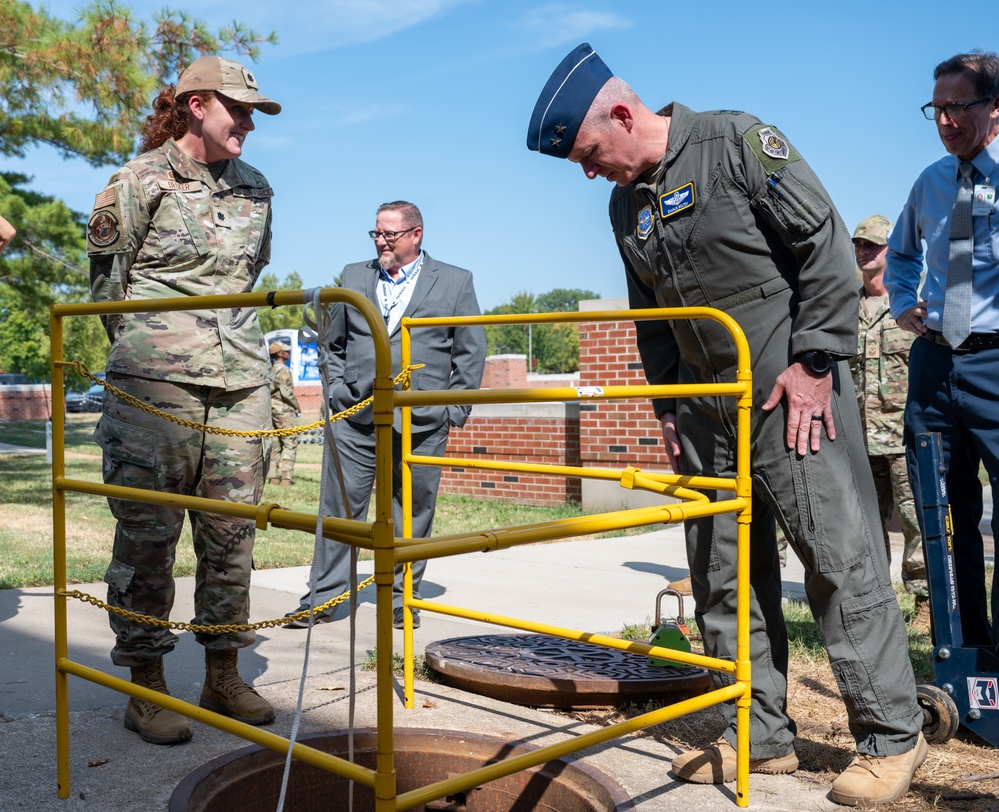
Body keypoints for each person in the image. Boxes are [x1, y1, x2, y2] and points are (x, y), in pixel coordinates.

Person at [526, 44, 925, 807]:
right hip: (705, 411)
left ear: (620, 113)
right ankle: (759, 734)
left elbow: (824, 248)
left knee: (838, 562)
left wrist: (813, 365)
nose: (588, 171)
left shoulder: (735, 144)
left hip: (790, 394)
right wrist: (668, 409)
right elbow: (653, 319)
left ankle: (889, 737)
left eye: (588, 154)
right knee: (722, 576)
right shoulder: (625, 205)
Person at [87, 55, 281, 745]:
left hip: (239, 384)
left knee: (232, 535)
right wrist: (153, 353)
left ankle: (222, 673)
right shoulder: (137, 181)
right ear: (198, 105)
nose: (249, 124)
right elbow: (107, 290)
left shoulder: (257, 188)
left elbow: (249, 275)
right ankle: (145, 684)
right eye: (240, 110)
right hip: (154, 386)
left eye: (254, 112)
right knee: (149, 536)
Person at [284, 201, 486, 630]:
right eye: (375, 234)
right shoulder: (354, 275)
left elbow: (469, 353)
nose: (380, 242)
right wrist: (337, 391)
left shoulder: (455, 282)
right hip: (355, 415)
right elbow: (332, 342)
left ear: (416, 235)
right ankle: (323, 598)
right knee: (338, 509)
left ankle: (401, 598)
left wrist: (453, 409)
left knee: (410, 512)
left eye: (389, 235)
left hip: (421, 422)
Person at [885, 50, 999, 649]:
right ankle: (962, 651)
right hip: (934, 364)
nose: (945, 120)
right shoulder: (929, 182)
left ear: (996, 106)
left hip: (997, 364)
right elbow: (901, 255)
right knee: (942, 511)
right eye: (937, 108)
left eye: (959, 106)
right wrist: (904, 304)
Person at [848, 215, 928, 606]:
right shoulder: (847, 309)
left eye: (872, 245)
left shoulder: (913, 306)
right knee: (865, 525)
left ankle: (926, 602)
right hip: (860, 440)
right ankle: (877, 605)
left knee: (918, 522)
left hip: (904, 437)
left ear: (889, 251)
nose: (863, 251)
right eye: (859, 245)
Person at [267, 340, 301, 486]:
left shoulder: (270, 369)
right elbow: (286, 393)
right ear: (280, 354)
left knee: (275, 444)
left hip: (271, 409)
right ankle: (286, 479)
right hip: (283, 410)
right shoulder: (283, 370)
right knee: (290, 442)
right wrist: (297, 406)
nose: (289, 353)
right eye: (286, 350)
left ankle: (273, 477)